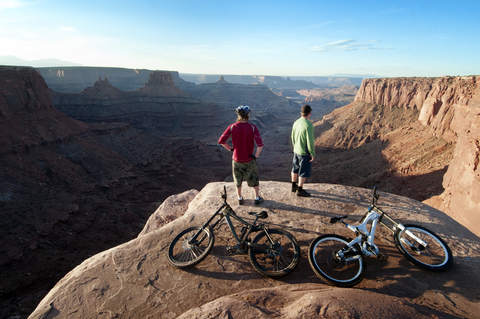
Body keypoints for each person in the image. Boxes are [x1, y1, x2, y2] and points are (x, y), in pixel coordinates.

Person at [218, 105, 264, 205]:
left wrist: (231, 149)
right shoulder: (252, 127)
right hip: (249, 160)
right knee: (254, 178)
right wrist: (255, 156)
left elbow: (221, 141)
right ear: (247, 115)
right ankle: (256, 198)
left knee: (237, 179)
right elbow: (260, 144)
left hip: (236, 159)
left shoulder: (232, 127)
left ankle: (239, 198)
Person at [291, 104, 315, 197]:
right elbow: (310, 141)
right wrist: (312, 153)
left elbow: (292, 136)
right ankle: (299, 190)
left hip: (296, 150)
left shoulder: (296, 122)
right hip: (304, 153)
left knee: (295, 168)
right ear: (310, 113)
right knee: (303, 171)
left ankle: (293, 186)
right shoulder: (308, 125)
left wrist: (295, 147)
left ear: (301, 113)